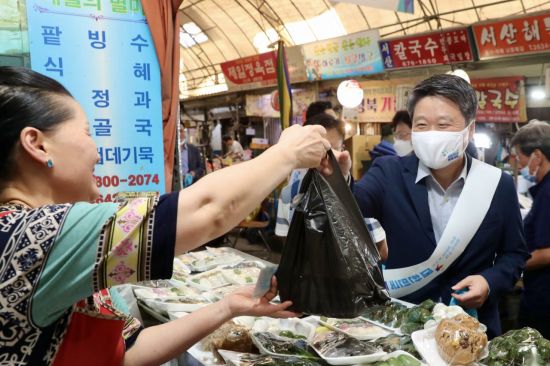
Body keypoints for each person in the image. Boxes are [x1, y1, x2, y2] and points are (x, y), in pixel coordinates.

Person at [0, 66, 331, 365]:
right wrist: (288, 153)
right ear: (37, 144)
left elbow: (128, 351)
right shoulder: (29, 234)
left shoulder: (66, 254)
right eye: (87, 132)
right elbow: (210, 210)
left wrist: (227, 307)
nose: (96, 153)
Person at [352, 74, 528, 338]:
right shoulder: (387, 173)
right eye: (422, 125)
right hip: (403, 331)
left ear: (469, 130)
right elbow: (351, 208)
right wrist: (338, 180)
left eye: (444, 124)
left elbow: (514, 254)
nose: (431, 134)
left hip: (473, 330)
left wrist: (488, 282)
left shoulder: (497, 184)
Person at [275, 113, 388, 260]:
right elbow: (382, 252)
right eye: (320, 152)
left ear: (343, 149)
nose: (326, 160)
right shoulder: (288, 195)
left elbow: (287, 246)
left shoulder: (360, 196)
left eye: (332, 151)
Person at [512, 121, 550, 338]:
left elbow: (547, 252)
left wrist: (513, 263)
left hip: (544, 297)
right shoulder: (543, 190)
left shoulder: (548, 193)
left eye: (520, 157)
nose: (518, 164)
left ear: (537, 155)